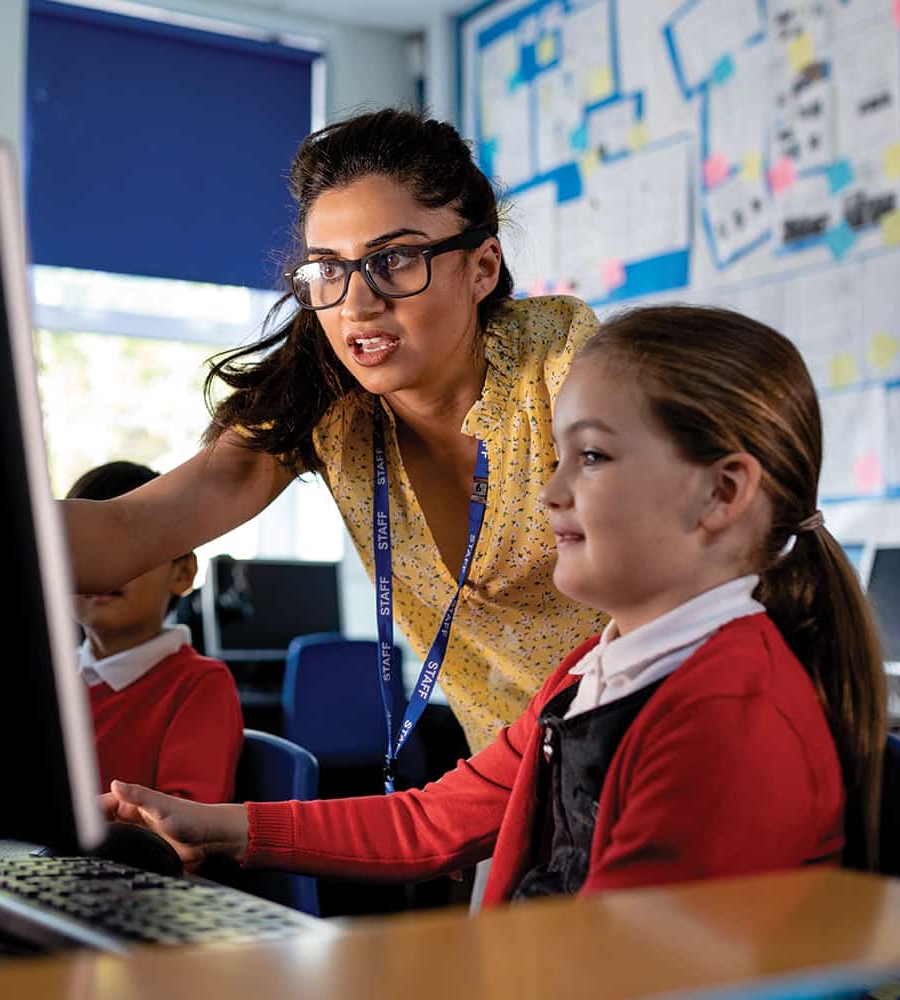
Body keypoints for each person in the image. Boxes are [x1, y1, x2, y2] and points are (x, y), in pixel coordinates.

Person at [100, 305, 888, 902]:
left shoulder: (726, 719)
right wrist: (215, 824)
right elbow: (434, 822)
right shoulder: (599, 670)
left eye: (590, 456)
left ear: (723, 491)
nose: (549, 493)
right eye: (555, 456)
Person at [63, 109, 608, 764]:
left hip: (666, 739)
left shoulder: (561, 365)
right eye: (328, 269)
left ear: (483, 268)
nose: (357, 303)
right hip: (515, 780)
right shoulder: (329, 410)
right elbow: (126, 533)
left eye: (396, 259)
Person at [67, 461, 243, 803]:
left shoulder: (200, 684)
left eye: (125, 547)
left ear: (182, 573)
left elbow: (185, 834)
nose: (103, 567)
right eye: (82, 549)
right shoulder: (49, 679)